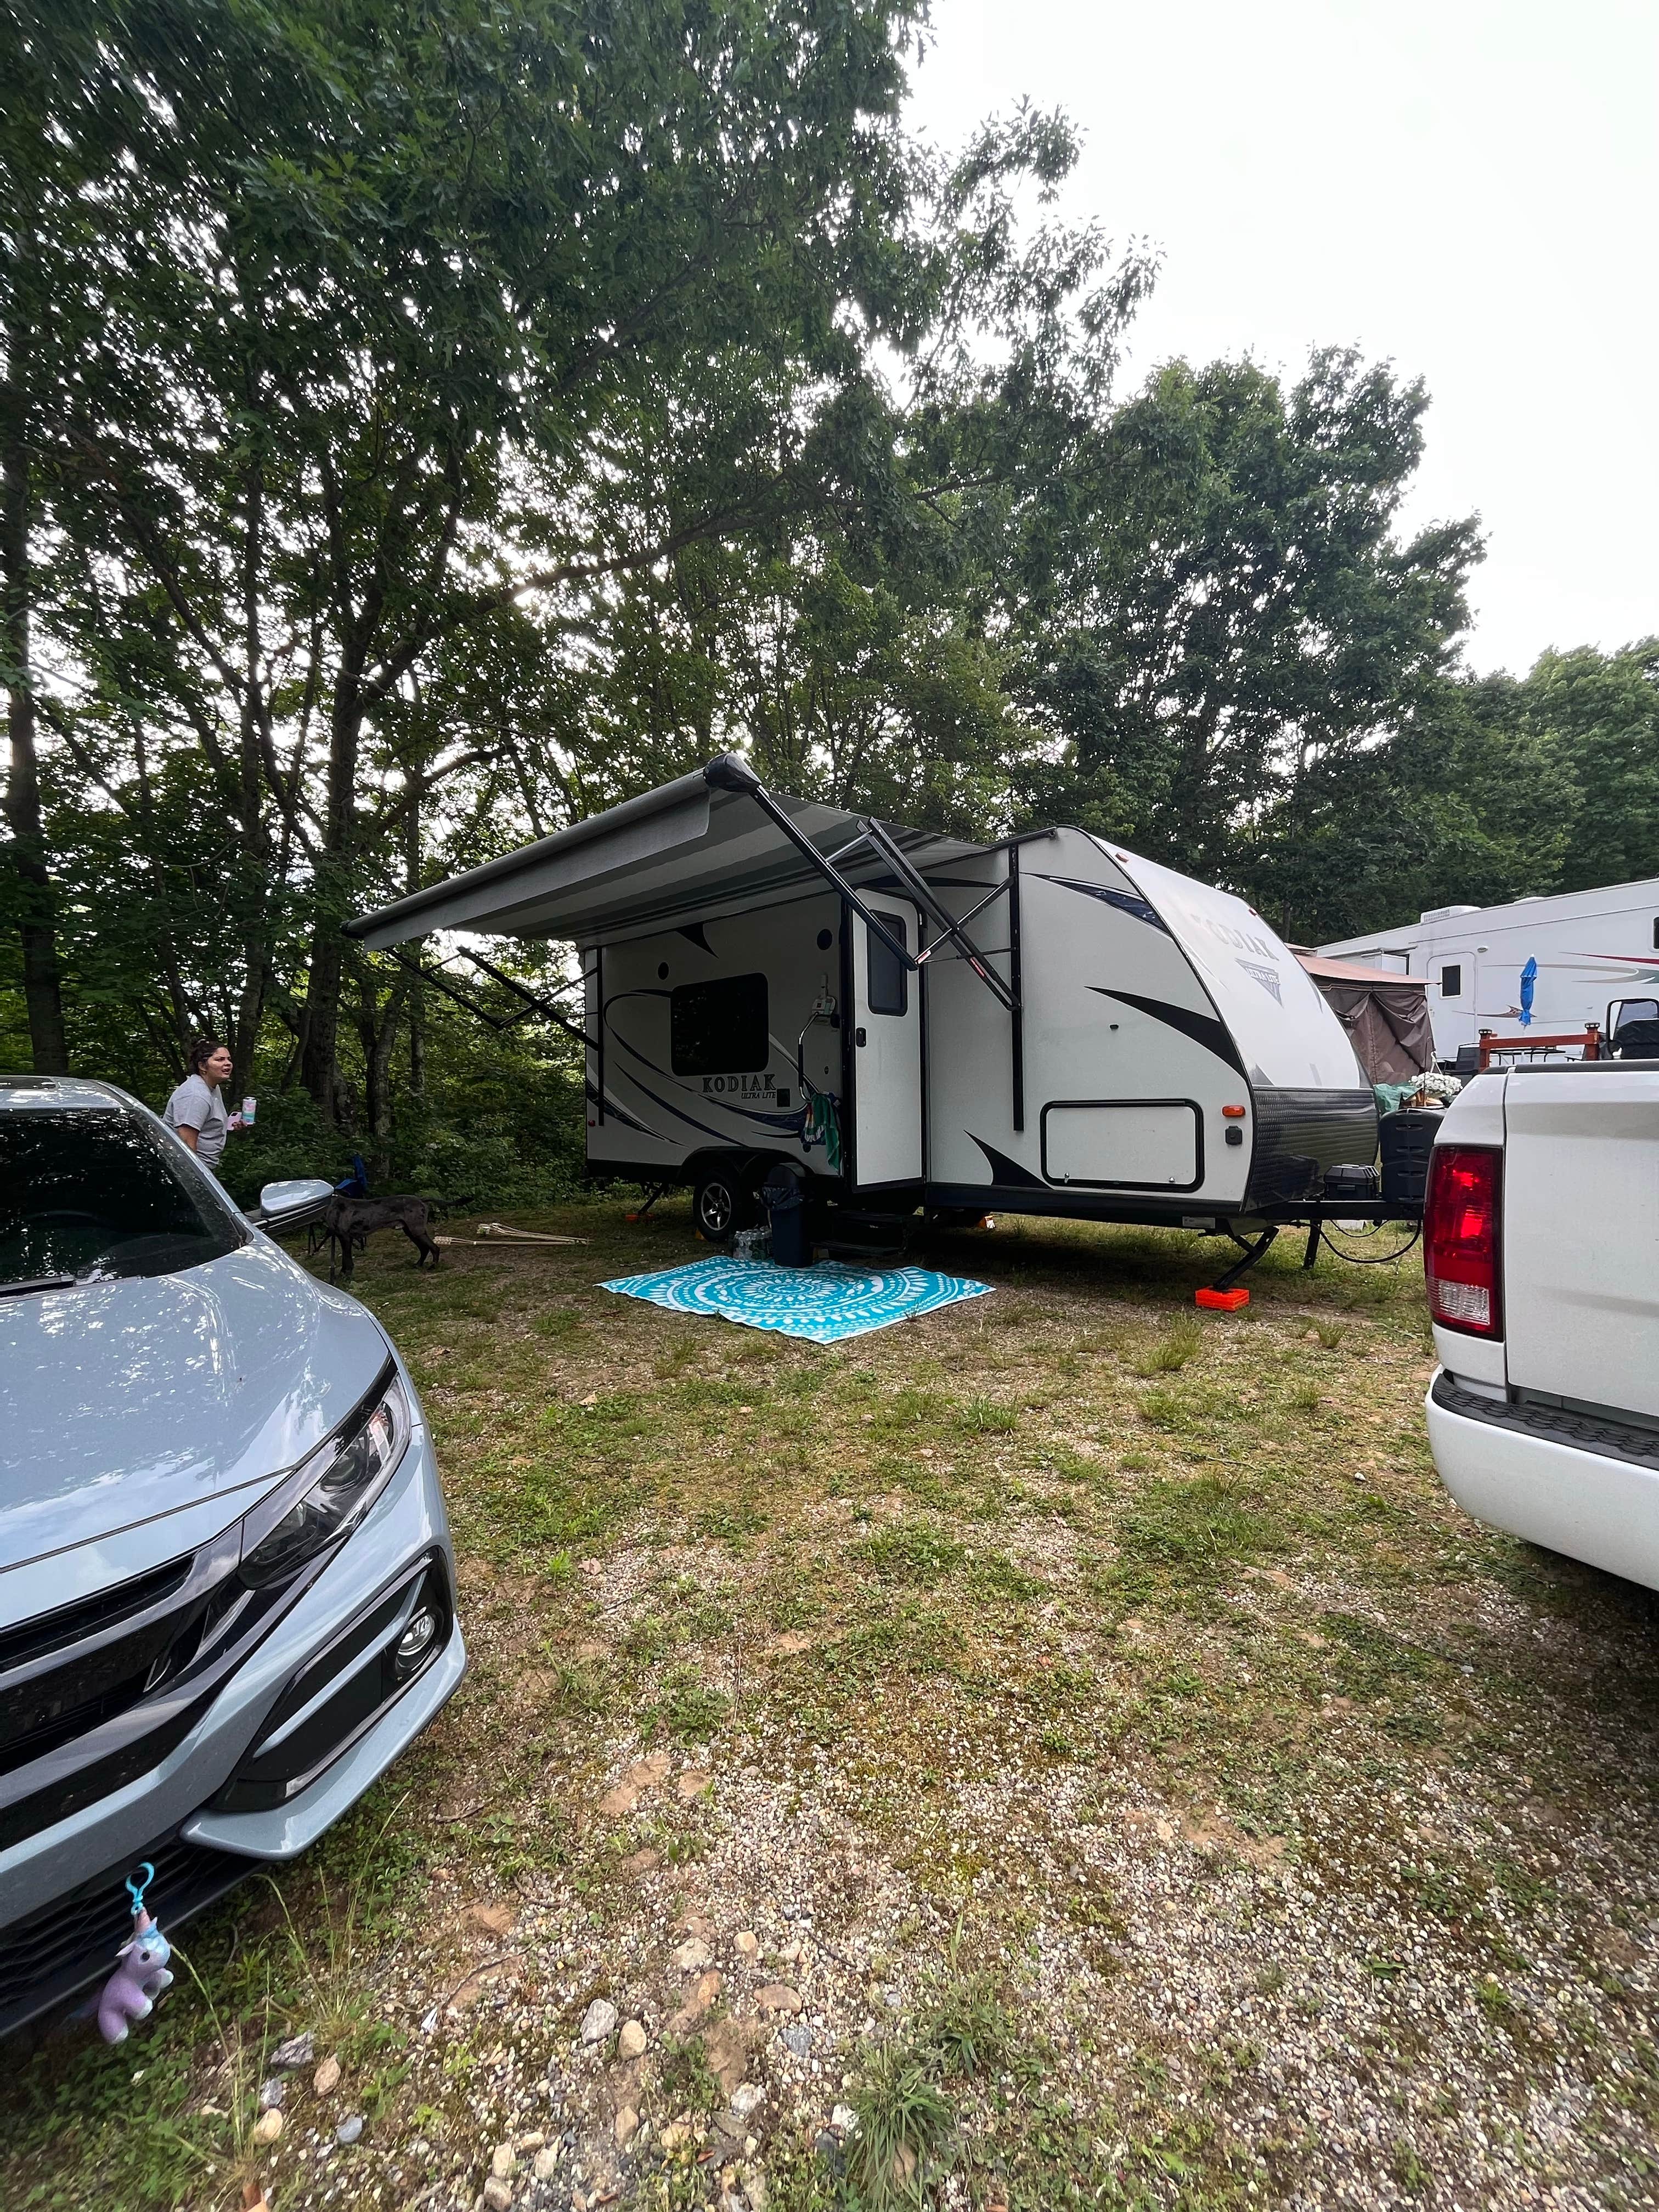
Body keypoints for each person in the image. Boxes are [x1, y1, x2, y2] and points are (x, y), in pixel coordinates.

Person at [162, 1036, 242, 1173]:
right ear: (202, 1066)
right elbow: (186, 1143)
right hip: (186, 1171)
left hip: (202, 1168)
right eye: (220, 1060)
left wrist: (228, 1125)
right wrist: (195, 1179)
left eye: (229, 1059)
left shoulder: (212, 1087)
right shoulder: (195, 1095)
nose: (228, 1064)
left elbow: (204, 1121)